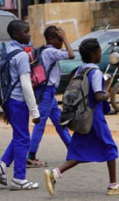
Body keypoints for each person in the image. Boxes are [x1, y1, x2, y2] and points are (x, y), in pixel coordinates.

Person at [44, 38, 119, 196]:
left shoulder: (80, 70)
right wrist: (108, 93)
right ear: (93, 54)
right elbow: (98, 97)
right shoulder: (96, 72)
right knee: (109, 147)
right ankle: (113, 185)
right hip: (94, 117)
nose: (100, 54)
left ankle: (55, 173)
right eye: (99, 52)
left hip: (82, 116)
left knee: (79, 152)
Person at [0, 20, 40, 190]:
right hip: (18, 101)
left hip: (8, 101)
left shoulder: (8, 50)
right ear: (17, 35)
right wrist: (35, 111)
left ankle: (1, 165)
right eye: (26, 32)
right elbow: (26, 85)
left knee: (19, 135)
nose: (29, 35)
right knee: (23, 138)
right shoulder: (21, 55)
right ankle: (19, 179)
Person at [27, 26, 75, 167]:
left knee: (59, 122)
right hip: (47, 91)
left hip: (48, 92)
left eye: (62, 40)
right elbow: (71, 55)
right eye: (59, 39)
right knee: (40, 123)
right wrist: (66, 37)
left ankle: (72, 149)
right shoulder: (50, 52)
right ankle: (30, 155)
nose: (61, 42)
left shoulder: (44, 50)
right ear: (51, 39)